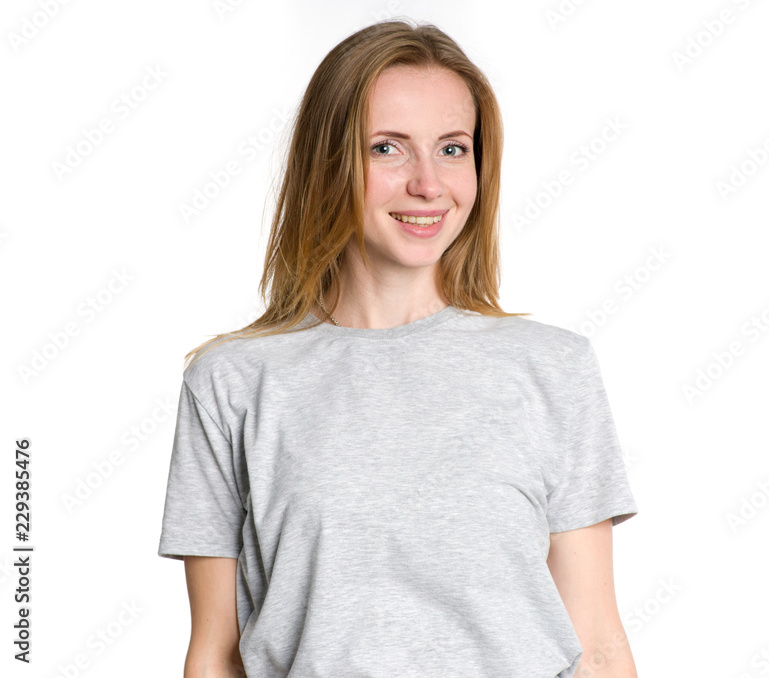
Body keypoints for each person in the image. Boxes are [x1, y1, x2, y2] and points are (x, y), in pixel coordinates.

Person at [157, 18, 639, 678]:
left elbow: (599, 644)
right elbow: (216, 655)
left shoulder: (554, 369)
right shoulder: (231, 382)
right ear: (327, 163)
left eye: (452, 149)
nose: (428, 184)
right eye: (387, 148)